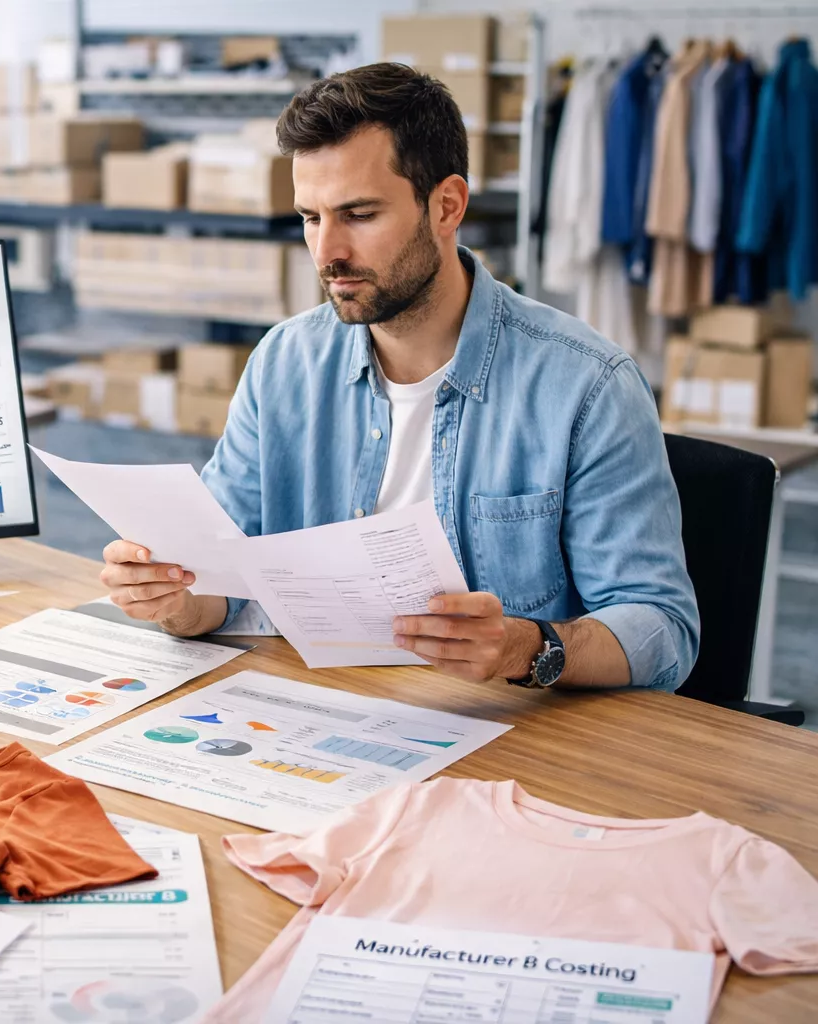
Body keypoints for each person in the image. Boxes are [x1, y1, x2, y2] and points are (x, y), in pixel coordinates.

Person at [99, 63, 699, 691]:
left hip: (510, 734)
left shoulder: (587, 385)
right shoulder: (284, 363)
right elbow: (221, 582)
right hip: (322, 716)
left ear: (446, 206)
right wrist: (171, 598)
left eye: (357, 215)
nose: (327, 251)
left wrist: (529, 646)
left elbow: (662, 630)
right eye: (310, 217)